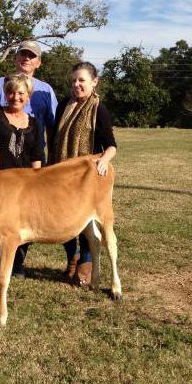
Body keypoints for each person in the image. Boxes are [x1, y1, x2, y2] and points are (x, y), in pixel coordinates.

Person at [49, 61, 117, 288]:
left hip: (85, 178)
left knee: (86, 219)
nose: (77, 85)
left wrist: (104, 162)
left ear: (94, 82)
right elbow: (53, 139)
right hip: (61, 173)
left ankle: (86, 263)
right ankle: (72, 259)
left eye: (82, 80)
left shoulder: (99, 109)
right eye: (74, 81)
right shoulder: (62, 106)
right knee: (62, 218)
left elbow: (111, 145)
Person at [0, 72, 44, 278]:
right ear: (5, 93)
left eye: (20, 93)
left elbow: (37, 153)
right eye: (10, 92)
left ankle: (17, 262)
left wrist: (38, 180)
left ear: (28, 96)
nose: (15, 97)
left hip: (25, 183)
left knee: (25, 223)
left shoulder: (34, 123)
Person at [0, 39, 58, 153]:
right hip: (0, 158)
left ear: (38, 63)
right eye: (23, 53)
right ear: (15, 58)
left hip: (34, 160)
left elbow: (53, 128)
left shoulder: (46, 90)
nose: (27, 58)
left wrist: (53, 156)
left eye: (32, 55)